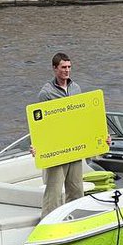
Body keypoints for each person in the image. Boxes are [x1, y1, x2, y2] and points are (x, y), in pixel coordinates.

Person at [35, 52, 85, 219]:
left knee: (77, 189)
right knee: (54, 192)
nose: (67, 70)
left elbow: (83, 118)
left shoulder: (76, 89)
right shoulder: (46, 93)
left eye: (69, 67)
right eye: (63, 67)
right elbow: (40, 125)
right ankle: (48, 222)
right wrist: (38, 146)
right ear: (54, 69)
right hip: (56, 150)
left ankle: (75, 220)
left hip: (75, 148)